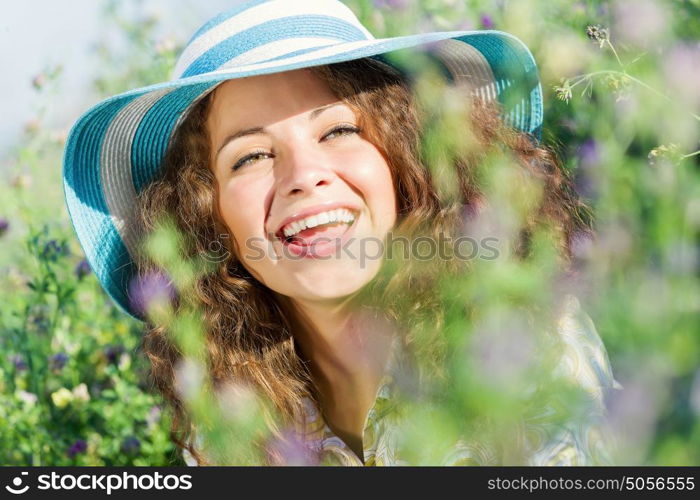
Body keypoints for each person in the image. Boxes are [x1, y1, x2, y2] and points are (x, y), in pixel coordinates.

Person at [62, 0, 618, 466]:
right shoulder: (230, 418)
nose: (304, 177)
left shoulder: (524, 341)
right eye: (250, 155)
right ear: (209, 219)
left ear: (405, 161)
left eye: (339, 130)